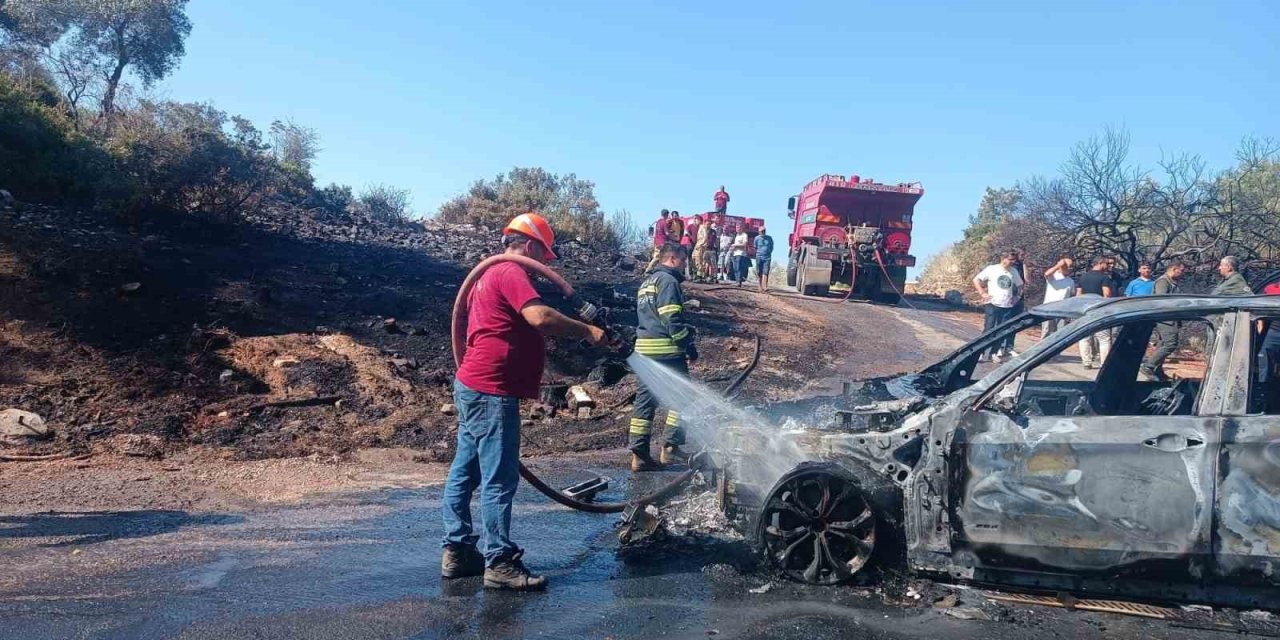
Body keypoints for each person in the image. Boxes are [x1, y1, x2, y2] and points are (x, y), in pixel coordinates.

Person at [443, 213, 608, 591]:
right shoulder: (510, 273)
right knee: (499, 478)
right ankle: (499, 560)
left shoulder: (486, 275)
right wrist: (587, 331)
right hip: (492, 390)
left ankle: (456, 552)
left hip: (473, 385)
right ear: (530, 246)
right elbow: (540, 317)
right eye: (543, 257)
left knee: (465, 472)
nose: (541, 267)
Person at [630, 243, 698, 470]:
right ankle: (670, 447)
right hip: (666, 351)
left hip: (644, 351)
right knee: (683, 397)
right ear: (672, 258)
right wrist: (686, 343)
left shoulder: (647, 282)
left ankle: (639, 455)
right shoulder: (668, 282)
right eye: (683, 261)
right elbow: (671, 318)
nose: (684, 266)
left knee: (644, 403)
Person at [973, 250, 1025, 363]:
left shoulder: (1013, 271)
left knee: (1001, 330)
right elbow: (976, 279)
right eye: (1010, 260)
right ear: (1003, 259)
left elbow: (1021, 285)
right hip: (992, 303)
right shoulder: (992, 269)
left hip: (1007, 305)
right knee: (989, 328)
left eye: (1014, 260)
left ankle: (994, 353)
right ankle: (980, 352)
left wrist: (1017, 297)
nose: (1012, 262)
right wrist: (982, 292)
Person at [1140, 262, 1186, 381]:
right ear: (1174, 269)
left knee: (1162, 345)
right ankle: (1148, 366)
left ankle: (1158, 371)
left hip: (1171, 318)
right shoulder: (1163, 281)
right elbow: (1162, 300)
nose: (1182, 274)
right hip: (1166, 318)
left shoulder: (1172, 282)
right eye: (1181, 271)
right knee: (1171, 344)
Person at [1075, 257, 1115, 370]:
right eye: (1106, 263)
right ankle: (1104, 364)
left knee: (1084, 337)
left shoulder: (1083, 276)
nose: (1108, 266)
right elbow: (1106, 294)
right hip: (1100, 310)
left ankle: (1086, 362)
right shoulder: (1104, 277)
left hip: (1085, 310)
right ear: (1100, 263)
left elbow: (1078, 294)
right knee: (1104, 339)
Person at [1040, 256, 1075, 338]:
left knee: (1060, 334)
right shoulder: (1054, 276)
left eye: (1071, 267)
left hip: (1063, 311)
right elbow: (1047, 274)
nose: (1070, 269)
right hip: (1049, 309)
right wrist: (1059, 264)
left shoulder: (1071, 281)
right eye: (1067, 266)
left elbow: (1071, 296)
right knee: (1047, 331)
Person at [754, 227, 774, 293]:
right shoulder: (756, 238)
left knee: (766, 271)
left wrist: (768, 253)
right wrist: (758, 253)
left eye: (764, 231)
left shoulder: (769, 238)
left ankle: (765, 286)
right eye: (761, 231)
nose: (763, 232)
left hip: (767, 257)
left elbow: (771, 247)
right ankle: (760, 286)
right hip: (759, 256)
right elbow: (755, 247)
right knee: (759, 271)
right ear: (759, 232)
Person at [693, 218, 712, 282]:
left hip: (700, 246)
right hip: (699, 245)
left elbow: (705, 237)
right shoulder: (701, 228)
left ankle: (699, 277)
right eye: (707, 224)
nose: (708, 225)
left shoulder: (703, 228)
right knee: (695, 259)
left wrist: (701, 244)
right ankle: (698, 275)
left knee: (699, 260)